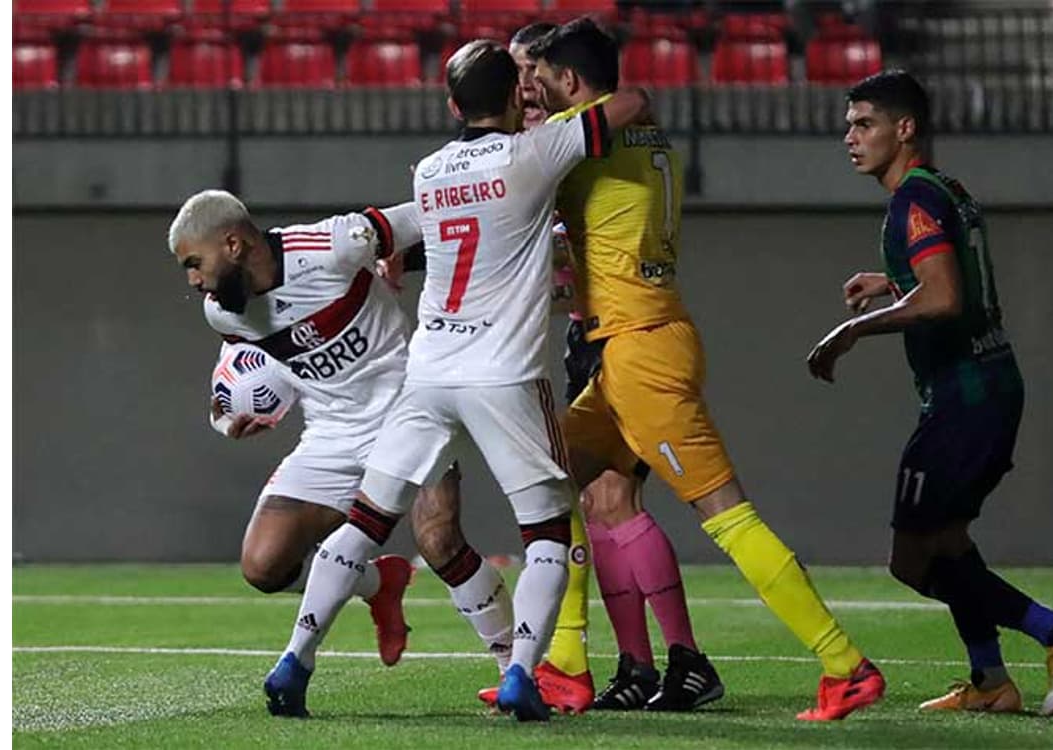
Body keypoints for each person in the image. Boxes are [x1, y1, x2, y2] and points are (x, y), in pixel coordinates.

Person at [263, 40, 650, 722]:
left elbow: (403, 230)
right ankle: (520, 677)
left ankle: (295, 659)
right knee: (548, 537)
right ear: (515, 98)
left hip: (429, 372)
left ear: (449, 105)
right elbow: (632, 104)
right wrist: (550, 111)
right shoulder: (535, 152)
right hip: (505, 375)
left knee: (366, 521)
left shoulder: (431, 170)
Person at [530, 18, 885, 721]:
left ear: (571, 85)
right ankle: (565, 663)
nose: (533, 98)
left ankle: (844, 663)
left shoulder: (576, 139)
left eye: (542, 85)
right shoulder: (644, 136)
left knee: (725, 513)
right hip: (637, 341)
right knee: (546, 475)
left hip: (640, 354)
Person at [806, 70, 1053, 716]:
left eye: (864, 124)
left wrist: (851, 331)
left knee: (912, 560)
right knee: (949, 544)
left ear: (904, 128)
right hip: (989, 386)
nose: (849, 138)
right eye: (848, 125)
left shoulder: (913, 200)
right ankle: (991, 680)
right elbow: (946, 275)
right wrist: (890, 281)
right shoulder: (946, 189)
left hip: (965, 398)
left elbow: (943, 296)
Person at [168, 190, 519, 718]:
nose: (193, 281)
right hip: (331, 434)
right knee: (264, 566)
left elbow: (433, 216)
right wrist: (227, 419)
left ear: (233, 244)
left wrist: (516, 217)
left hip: (410, 410)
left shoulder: (333, 245)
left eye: (195, 263)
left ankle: (515, 667)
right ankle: (381, 582)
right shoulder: (223, 313)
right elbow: (243, 375)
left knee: (441, 540)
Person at [512, 21, 722, 714]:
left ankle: (679, 657)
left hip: (623, 336)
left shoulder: (577, 136)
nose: (523, 85)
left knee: (611, 501)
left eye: (529, 70)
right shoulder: (553, 140)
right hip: (593, 335)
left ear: (557, 73)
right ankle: (632, 665)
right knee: (594, 503)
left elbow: (633, 103)